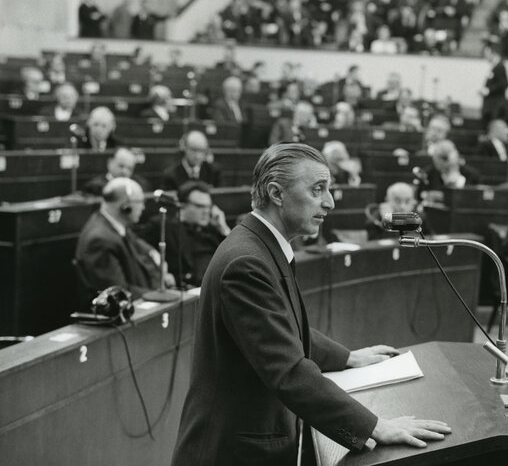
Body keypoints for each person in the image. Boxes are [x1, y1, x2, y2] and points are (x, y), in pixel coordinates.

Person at [171, 143, 451, 465]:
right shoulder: (246, 262)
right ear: (277, 194)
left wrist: (348, 358)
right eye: (318, 189)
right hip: (231, 452)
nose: (329, 202)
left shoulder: (259, 246)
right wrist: (376, 427)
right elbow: (288, 371)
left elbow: (282, 327)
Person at [75, 178, 174, 304]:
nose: (143, 207)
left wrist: (157, 260)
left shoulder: (114, 225)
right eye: (139, 202)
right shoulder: (99, 240)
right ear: (125, 206)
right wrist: (161, 293)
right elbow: (119, 294)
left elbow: (140, 246)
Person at [138, 181, 230, 287]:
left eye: (208, 207)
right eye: (200, 206)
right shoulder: (163, 225)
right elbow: (138, 249)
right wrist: (159, 270)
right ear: (183, 205)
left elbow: (232, 257)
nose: (206, 212)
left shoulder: (213, 228)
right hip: (187, 289)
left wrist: (223, 229)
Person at [418, 140, 480, 205]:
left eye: (446, 158)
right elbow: (420, 195)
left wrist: (442, 196)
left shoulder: (472, 175)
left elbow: (475, 198)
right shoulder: (428, 174)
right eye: (439, 157)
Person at [365, 182, 432, 240]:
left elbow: (428, 241)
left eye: (407, 201)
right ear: (387, 200)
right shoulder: (374, 220)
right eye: (397, 201)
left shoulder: (419, 218)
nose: (403, 206)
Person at [82, 147, 149, 196]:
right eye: (121, 166)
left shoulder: (140, 185)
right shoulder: (94, 187)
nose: (124, 171)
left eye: (129, 168)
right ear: (110, 163)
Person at [480, 43, 508, 124]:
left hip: (495, 105)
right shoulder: (495, 67)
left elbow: (504, 84)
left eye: (487, 53)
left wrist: (489, 90)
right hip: (491, 104)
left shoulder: (500, 67)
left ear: (493, 53)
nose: (485, 56)